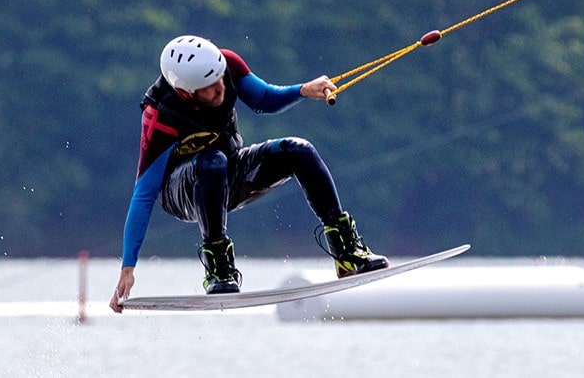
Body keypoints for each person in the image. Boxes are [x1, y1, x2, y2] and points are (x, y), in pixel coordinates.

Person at [109, 35, 389, 312]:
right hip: (181, 192)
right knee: (212, 161)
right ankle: (218, 268)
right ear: (186, 93)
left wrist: (303, 89)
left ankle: (346, 252)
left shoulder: (227, 64)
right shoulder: (159, 115)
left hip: (229, 172)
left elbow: (264, 99)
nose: (221, 87)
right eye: (210, 86)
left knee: (298, 150)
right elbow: (144, 195)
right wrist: (128, 268)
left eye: (220, 77)